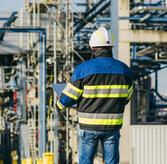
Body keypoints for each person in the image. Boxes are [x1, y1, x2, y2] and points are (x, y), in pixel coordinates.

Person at [56, 27, 133, 164]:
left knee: (86, 161)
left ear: (93, 48)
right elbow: (126, 98)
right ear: (111, 47)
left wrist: (59, 104)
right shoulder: (125, 70)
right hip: (112, 126)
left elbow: (70, 96)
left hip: (89, 127)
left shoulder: (83, 69)